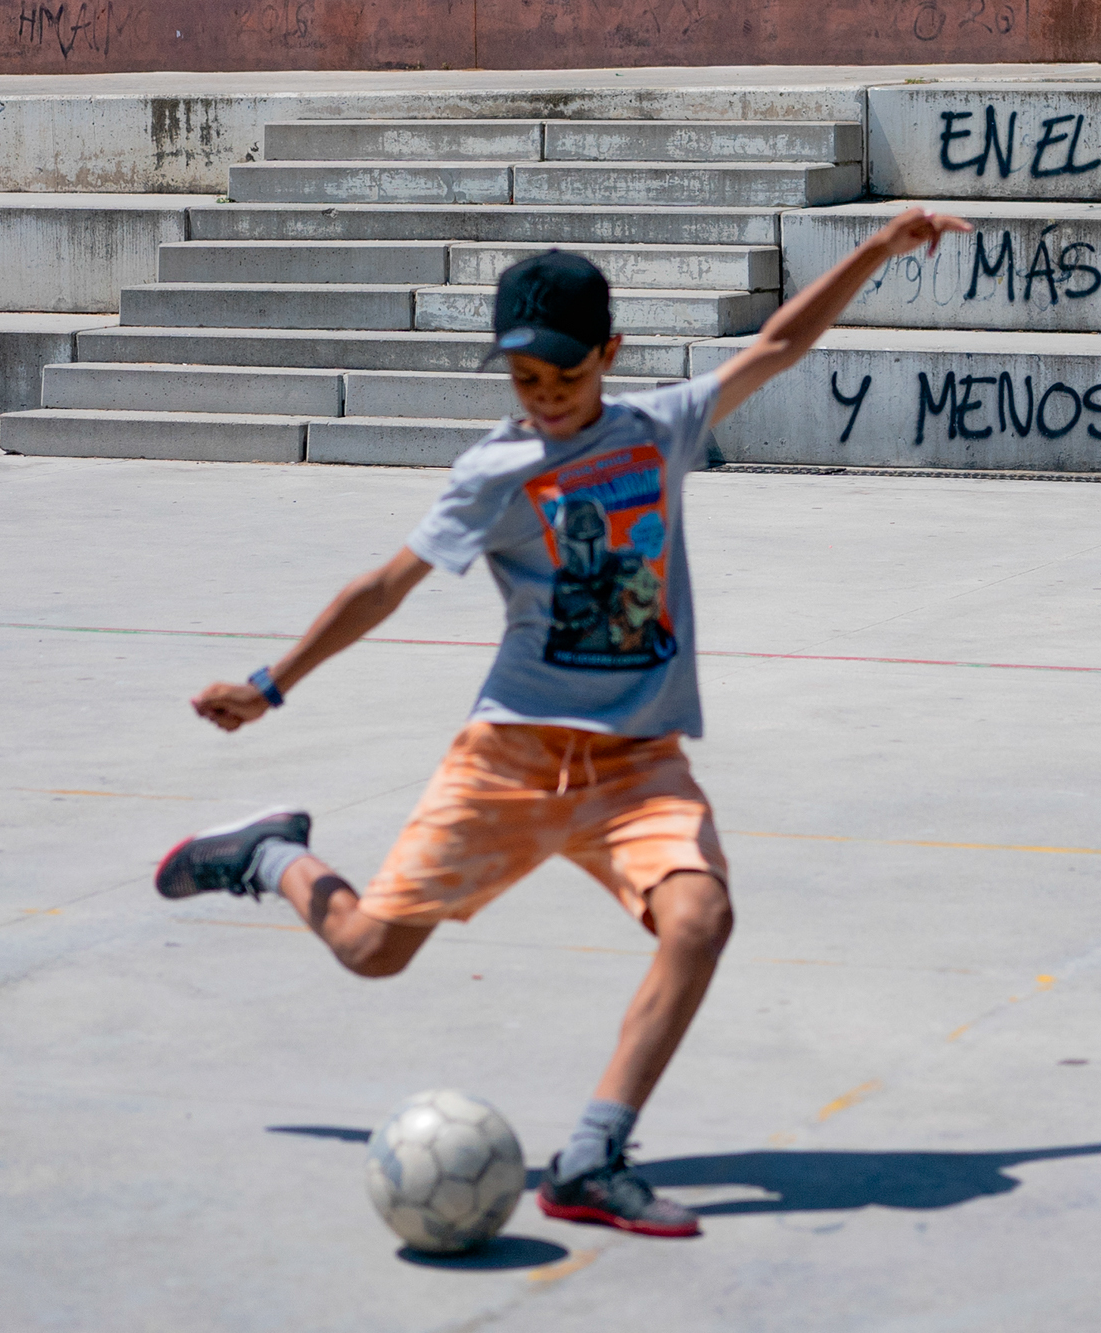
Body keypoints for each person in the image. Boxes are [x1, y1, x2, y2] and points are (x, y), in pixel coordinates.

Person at [152, 208, 972, 1238]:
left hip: (636, 764)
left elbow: (778, 344)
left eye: (565, 377)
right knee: (369, 951)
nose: (544, 398)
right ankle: (271, 854)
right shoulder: (492, 473)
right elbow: (384, 586)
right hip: (510, 755)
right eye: (525, 379)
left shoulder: (659, 428)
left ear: (609, 355)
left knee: (700, 920)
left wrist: (879, 250)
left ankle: (590, 1156)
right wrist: (270, 684)